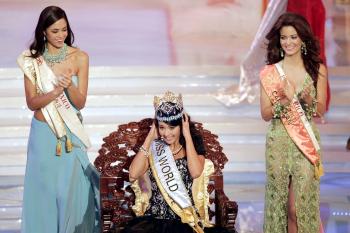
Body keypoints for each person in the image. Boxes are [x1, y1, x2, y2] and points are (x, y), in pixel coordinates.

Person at [17, 6, 100, 233]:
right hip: (43, 134)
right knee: (42, 194)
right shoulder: (32, 60)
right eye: (55, 31)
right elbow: (32, 102)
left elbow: (80, 102)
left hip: (70, 135)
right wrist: (54, 93)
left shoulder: (80, 57)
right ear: (43, 32)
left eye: (64, 30)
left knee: (70, 193)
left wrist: (68, 85)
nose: (61, 35)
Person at [124, 91, 230, 233]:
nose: (166, 133)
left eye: (172, 127)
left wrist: (187, 135)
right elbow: (133, 174)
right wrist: (150, 137)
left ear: (181, 124)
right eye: (162, 127)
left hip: (184, 220)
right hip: (155, 221)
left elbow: (196, 172)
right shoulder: (154, 147)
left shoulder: (192, 145)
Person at [259, 12, 327, 233]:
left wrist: (306, 98)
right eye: (284, 38)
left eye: (293, 37)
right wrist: (286, 100)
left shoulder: (317, 69)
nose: (288, 42)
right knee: (280, 207)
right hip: (278, 141)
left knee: (299, 208)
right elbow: (266, 114)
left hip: (305, 142)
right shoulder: (270, 73)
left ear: (303, 39)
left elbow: (321, 109)